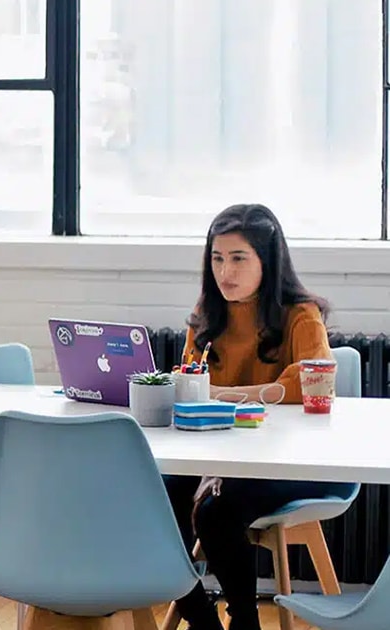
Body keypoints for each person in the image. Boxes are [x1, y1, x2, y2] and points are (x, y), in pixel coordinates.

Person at [165, 203, 346, 630]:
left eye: (238, 258)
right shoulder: (207, 315)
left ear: (268, 260)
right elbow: (192, 387)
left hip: (292, 459)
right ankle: (198, 614)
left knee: (214, 512)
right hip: (216, 452)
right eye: (217, 258)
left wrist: (226, 395)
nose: (225, 272)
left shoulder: (301, 315)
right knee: (152, 498)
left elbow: (309, 384)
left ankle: (244, 621)